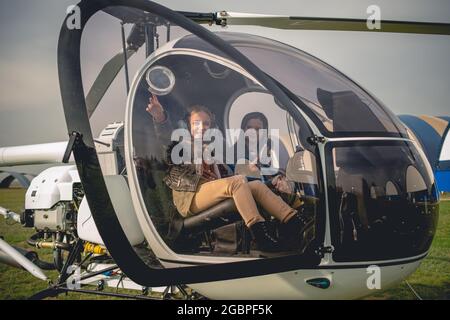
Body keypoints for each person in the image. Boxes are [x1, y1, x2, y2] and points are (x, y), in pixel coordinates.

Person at [146, 96, 312, 252]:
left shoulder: (214, 152)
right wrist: (159, 117)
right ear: (188, 125)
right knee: (238, 181)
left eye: (206, 124)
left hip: (211, 191)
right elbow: (165, 137)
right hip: (191, 197)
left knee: (256, 185)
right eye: (197, 123)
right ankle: (262, 236)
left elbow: (233, 177)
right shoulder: (181, 145)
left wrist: (271, 181)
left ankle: (297, 223)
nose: (202, 127)